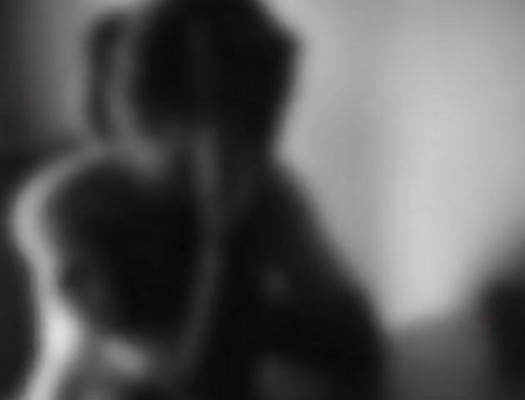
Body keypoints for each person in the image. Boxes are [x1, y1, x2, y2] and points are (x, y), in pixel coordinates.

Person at [11, 1, 383, 399]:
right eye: (191, 157)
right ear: (139, 123)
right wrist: (226, 236)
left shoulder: (262, 184)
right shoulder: (67, 210)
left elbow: (357, 345)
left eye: (254, 144)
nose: (233, 166)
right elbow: (202, 387)